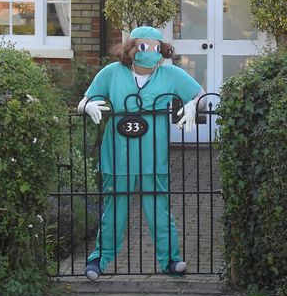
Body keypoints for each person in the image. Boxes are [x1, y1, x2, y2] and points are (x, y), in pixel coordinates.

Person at [77, 25, 205, 280]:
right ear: (132, 49)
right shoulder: (112, 73)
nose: (151, 53)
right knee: (114, 210)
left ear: (163, 50)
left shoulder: (170, 74)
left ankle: (171, 259)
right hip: (117, 157)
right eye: (144, 47)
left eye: (157, 48)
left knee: (158, 209)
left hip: (153, 158)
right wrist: (88, 105)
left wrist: (191, 105)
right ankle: (99, 260)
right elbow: (83, 101)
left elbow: (202, 96)